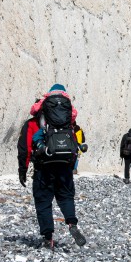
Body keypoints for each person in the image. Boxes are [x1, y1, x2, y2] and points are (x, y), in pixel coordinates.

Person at [18, 84, 88, 249]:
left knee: (43, 201)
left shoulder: (35, 122)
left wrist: (22, 169)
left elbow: (24, 147)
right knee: (65, 197)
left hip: (44, 166)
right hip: (64, 166)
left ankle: (48, 237)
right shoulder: (67, 120)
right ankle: (71, 223)